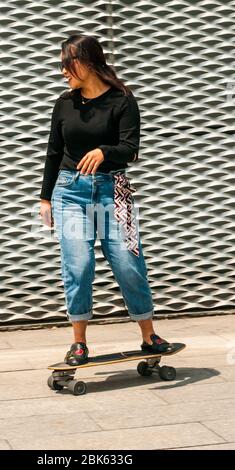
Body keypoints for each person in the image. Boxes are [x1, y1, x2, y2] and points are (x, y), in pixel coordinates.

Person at [39, 34, 172, 366]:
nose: (62, 72)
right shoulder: (64, 103)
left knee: (129, 263)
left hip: (116, 192)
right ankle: (79, 343)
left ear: (86, 61)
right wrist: (45, 199)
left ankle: (148, 335)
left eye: (66, 64)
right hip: (70, 192)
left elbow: (131, 149)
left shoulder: (122, 101)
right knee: (79, 265)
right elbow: (54, 152)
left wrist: (104, 151)